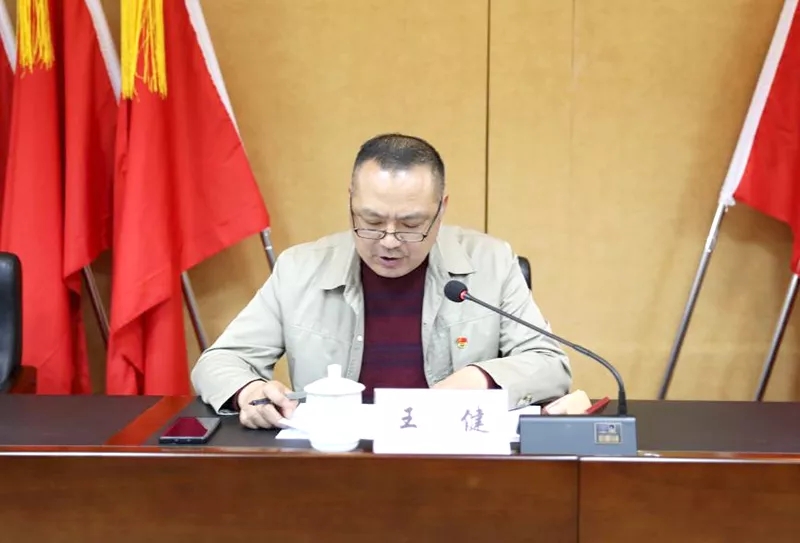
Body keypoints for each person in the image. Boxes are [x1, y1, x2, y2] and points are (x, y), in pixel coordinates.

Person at [191, 133, 572, 429]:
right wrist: (250, 392)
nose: (389, 241)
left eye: (411, 224)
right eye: (371, 221)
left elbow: (550, 364)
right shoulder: (299, 269)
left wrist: (481, 378)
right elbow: (220, 361)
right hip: (335, 460)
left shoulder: (491, 262)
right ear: (351, 202)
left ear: (441, 210)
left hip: (450, 458)